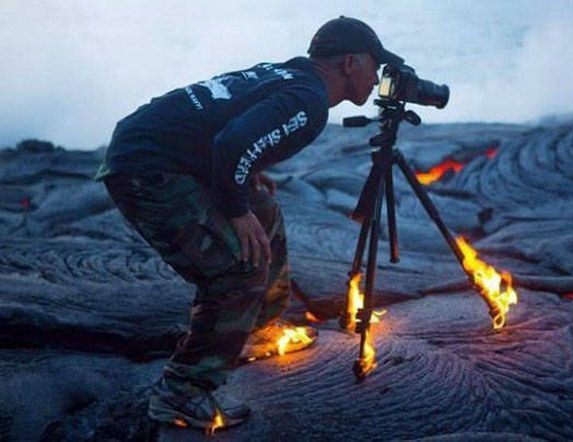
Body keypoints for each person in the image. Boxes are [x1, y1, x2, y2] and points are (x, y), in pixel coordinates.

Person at [95, 16, 403, 431]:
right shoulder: (309, 100)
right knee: (238, 268)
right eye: (374, 63)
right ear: (350, 63)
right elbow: (232, 142)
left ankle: (254, 328)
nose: (378, 74)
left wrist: (245, 176)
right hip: (147, 169)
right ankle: (182, 392)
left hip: (159, 150)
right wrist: (236, 210)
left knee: (265, 210)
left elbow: (231, 124)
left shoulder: (290, 73)